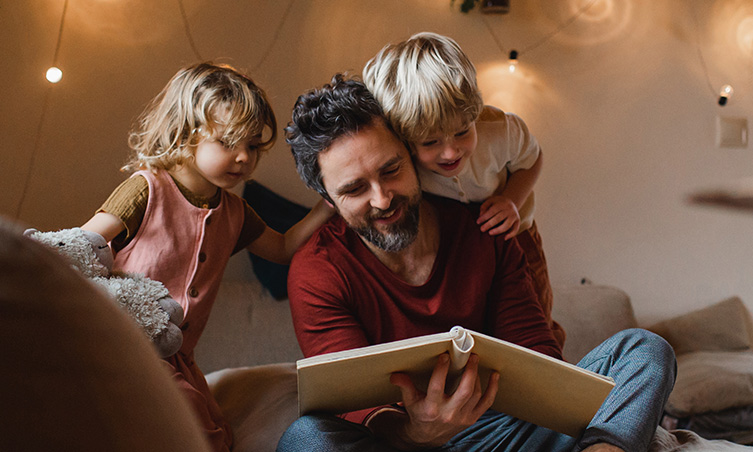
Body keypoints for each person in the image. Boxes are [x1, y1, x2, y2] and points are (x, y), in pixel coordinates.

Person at [277, 74, 676, 452]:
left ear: (411, 156)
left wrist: (561, 401)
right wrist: (416, 431)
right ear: (328, 200)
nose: (382, 199)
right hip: (399, 441)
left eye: (391, 170)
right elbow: (353, 403)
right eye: (355, 189)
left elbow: (535, 351)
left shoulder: (482, 231)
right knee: (307, 437)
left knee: (644, 350)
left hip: (499, 431)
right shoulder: (317, 270)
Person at [80, 62, 333, 452]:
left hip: (180, 358)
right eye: (229, 143)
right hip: (126, 346)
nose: (244, 158)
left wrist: (325, 207)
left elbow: (281, 249)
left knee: (214, 432)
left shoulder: (234, 213)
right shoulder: (146, 189)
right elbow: (79, 247)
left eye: (252, 146)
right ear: (186, 134)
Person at [363, 32, 565, 347]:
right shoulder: (401, 158)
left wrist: (512, 201)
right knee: (478, 323)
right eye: (431, 142)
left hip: (513, 232)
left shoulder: (500, 130)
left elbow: (532, 159)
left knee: (537, 315)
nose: (450, 152)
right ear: (404, 138)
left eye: (461, 132)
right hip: (454, 246)